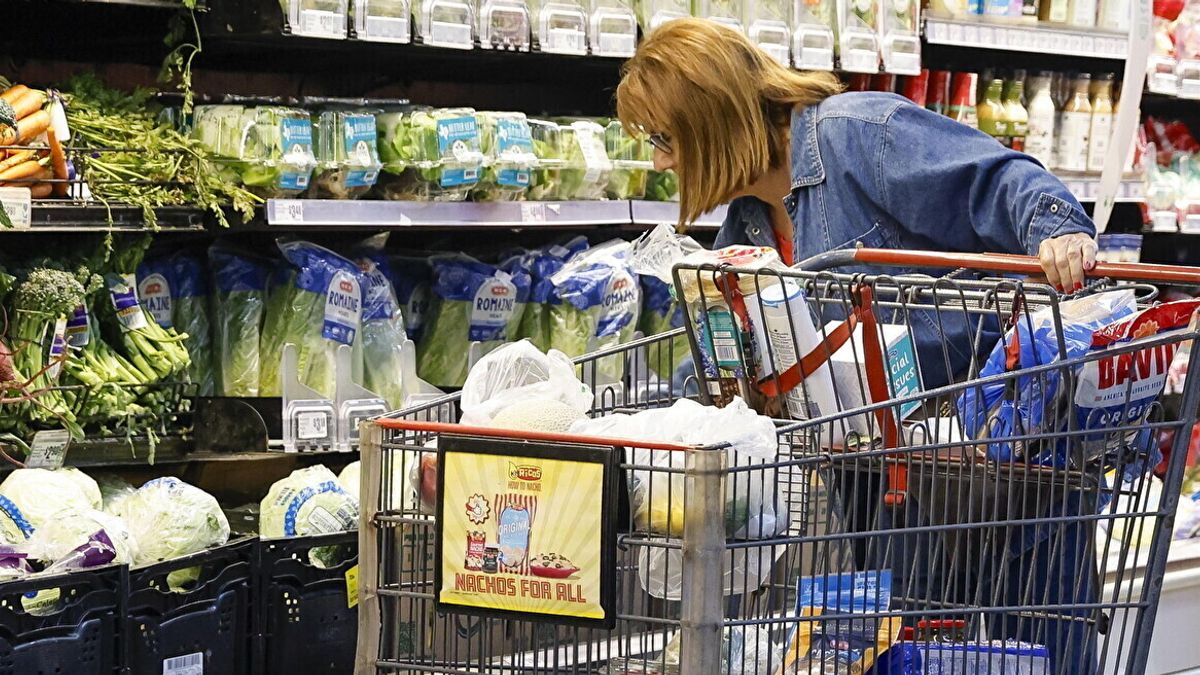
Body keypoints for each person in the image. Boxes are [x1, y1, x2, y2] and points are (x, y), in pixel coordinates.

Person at [616, 18, 1102, 675]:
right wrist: (642, 426)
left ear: (709, 119)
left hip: (1013, 461)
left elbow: (1001, 180)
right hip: (897, 493)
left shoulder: (861, 135)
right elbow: (725, 372)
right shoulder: (745, 229)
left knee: (1049, 655)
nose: (661, 162)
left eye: (663, 138)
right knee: (909, 658)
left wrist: (1059, 233)